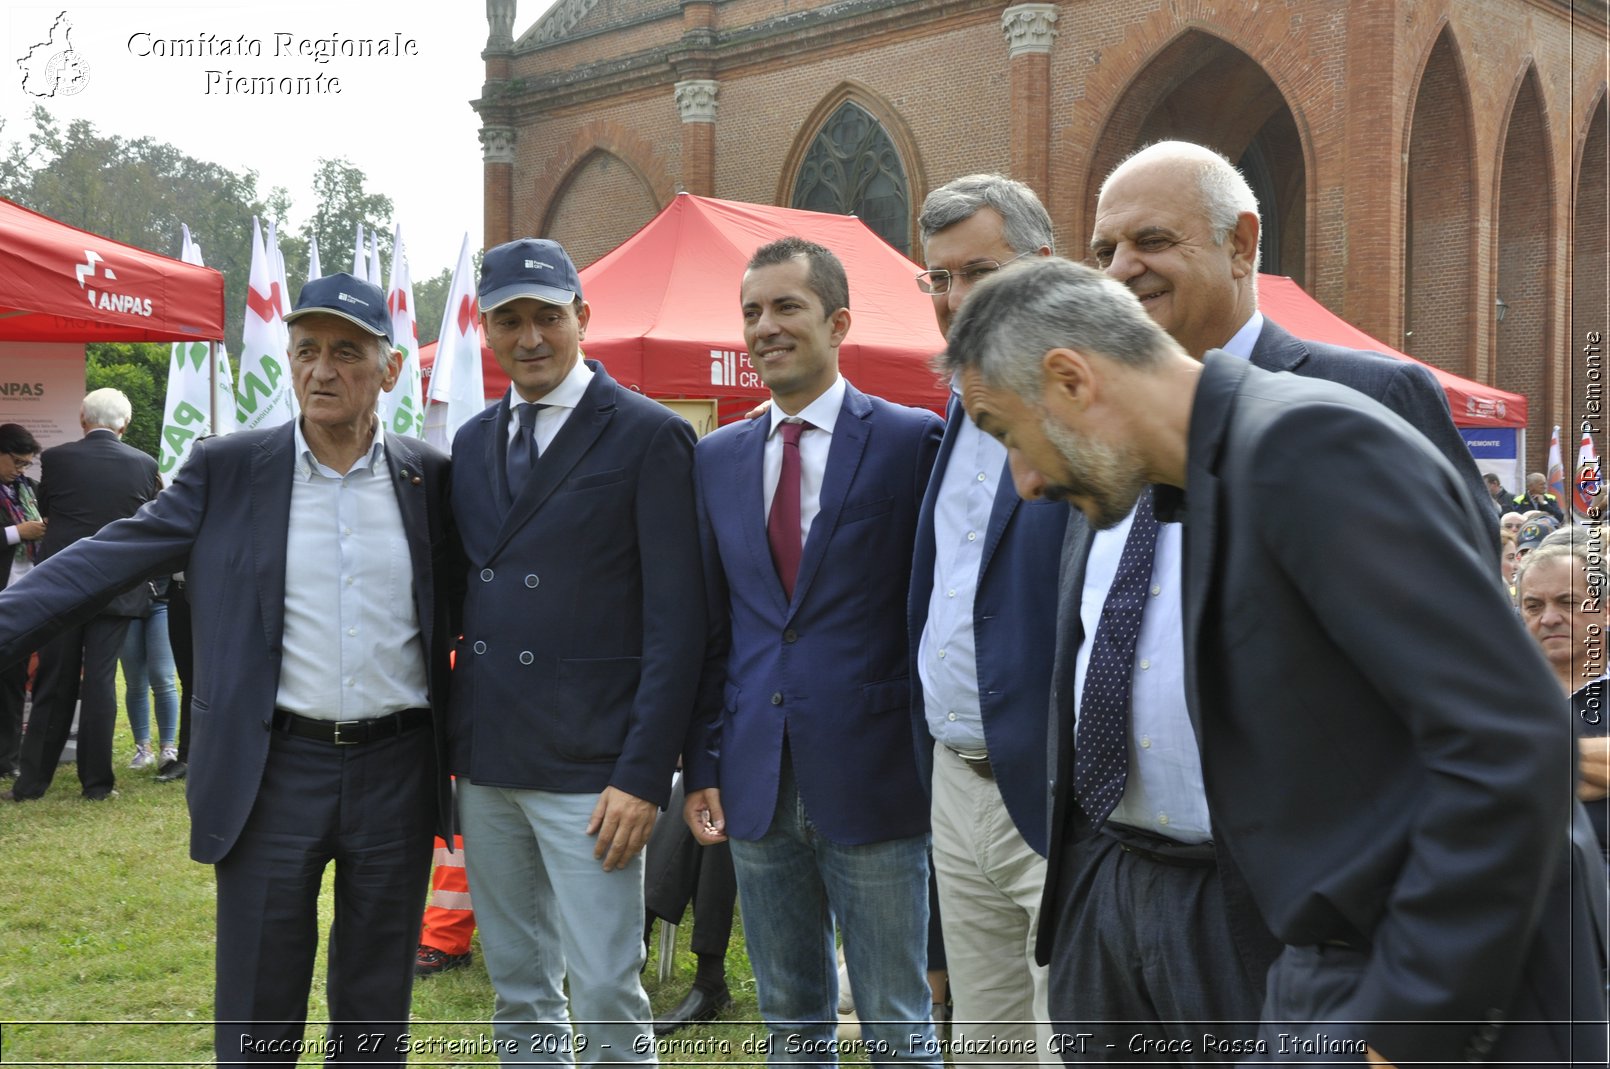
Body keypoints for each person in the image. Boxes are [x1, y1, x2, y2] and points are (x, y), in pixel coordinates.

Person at [945, 254, 1602, 1065]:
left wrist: (1407, 1027)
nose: (1027, 481)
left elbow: (1513, 745)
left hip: (1444, 992)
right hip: (1333, 969)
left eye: (1010, 434)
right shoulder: (1226, 470)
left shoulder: (1304, 444)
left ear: (1072, 379)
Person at [1034, 140, 1498, 1061]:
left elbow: (1467, 684)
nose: (1123, 270)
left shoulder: (1365, 396)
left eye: (1153, 241)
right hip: (1104, 885)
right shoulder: (1101, 419)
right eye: (1103, 250)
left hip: (1279, 913)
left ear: (1243, 243)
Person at [0, 272, 456, 1065]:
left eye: (346, 352)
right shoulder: (230, 469)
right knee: (256, 1007)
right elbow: (100, 561)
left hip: (399, 770)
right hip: (270, 769)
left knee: (377, 1010)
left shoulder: (431, 477)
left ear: (390, 369)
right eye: (306, 349)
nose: (321, 370)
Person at [683, 237, 944, 1067]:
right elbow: (713, 627)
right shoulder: (716, 458)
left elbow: (930, 604)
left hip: (876, 777)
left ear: (837, 321)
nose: (765, 326)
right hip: (757, 777)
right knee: (792, 1019)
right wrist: (704, 760)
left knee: (898, 1017)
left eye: (786, 307)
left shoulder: (910, 441)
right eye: (752, 311)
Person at [451, 237, 705, 1065]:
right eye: (509, 320)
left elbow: (679, 623)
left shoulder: (648, 434)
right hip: (491, 760)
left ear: (582, 318)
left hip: (594, 770)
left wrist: (641, 773)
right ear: (486, 328)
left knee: (603, 988)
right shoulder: (474, 439)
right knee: (520, 987)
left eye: (546, 317)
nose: (529, 337)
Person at [908, 174, 1062, 1062]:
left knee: (1064, 1032)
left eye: (979, 272)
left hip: (1048, 781)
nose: (956, 297)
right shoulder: (958, 409)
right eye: (938, 279)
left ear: (1044, 267)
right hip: (954, 778)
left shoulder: (1090, 403)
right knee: (985, 1036)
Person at [6, 389, 158, 802]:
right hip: (117, 587)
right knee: (101, 684)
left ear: (82, 419)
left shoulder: (56, 459)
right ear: (124, 424)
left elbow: (47, 508)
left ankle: (32, 783)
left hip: (62, 585)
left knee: (54, 680)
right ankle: (97, 784)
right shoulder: (145, 464)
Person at [1516, 526, 1610, 858]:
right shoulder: (1497, 691)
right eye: (1533, 606)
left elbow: (1500, 772)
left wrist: (1523, 759)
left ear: (1606, 609)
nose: (1549, 618)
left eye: (1568, 602)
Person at [0, 423, 45, 779]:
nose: (20, 469)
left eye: (26, 464)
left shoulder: (29, 490)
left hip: (24, 597)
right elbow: (19, 533)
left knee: (13, 682)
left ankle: (8, 760)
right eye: (16, 461)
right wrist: (18, 532)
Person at [120, 576, 178, 771]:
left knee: (162, 677)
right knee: (135, 681)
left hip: (163, 601)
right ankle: (143, 749)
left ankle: (168, 748)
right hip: (127, 603)